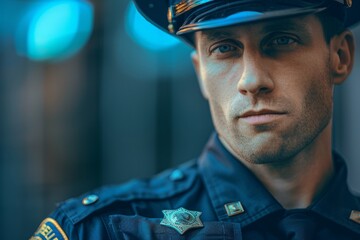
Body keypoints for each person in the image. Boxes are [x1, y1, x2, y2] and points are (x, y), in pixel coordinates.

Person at [30, 0, 360, 239]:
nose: (251, 80)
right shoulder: (100, 231)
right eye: (224, 49)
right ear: (200, 73)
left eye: (281, 41)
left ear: (340, 57)